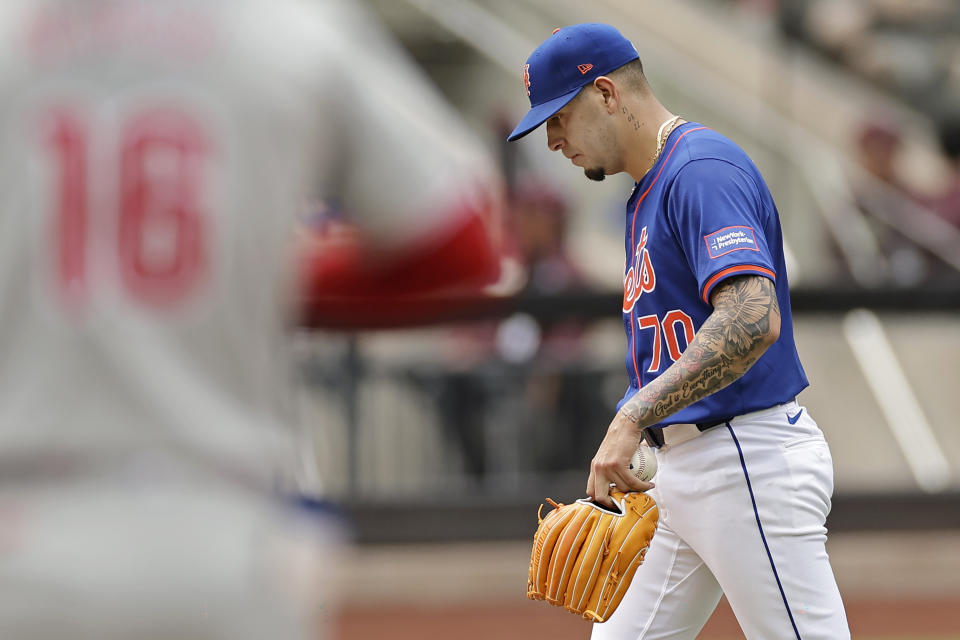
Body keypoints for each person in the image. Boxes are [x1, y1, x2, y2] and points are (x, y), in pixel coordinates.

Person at [0, 1, 499, 638]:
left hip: (21, 522)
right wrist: (265, 285)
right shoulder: (285, 24)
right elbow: (460, 244)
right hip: (215, 532)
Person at [507, 23, 849, 639]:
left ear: (607, 94)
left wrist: (632, 416)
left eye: (559, 117)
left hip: (746, 461)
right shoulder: (650, 189)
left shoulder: (700, 170)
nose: (552, 139)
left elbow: (752, 318)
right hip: (681, 471)